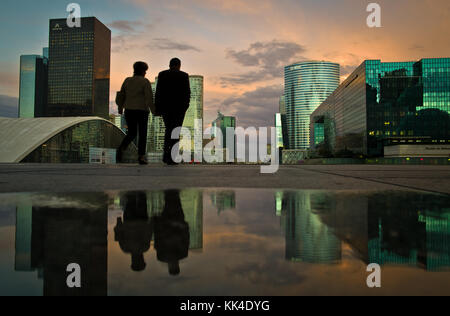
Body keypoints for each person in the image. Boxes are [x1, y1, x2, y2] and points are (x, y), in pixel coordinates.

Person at [116, 62, 155, 165]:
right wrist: (154, 111)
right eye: (145, 71)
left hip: (129, 110)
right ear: (143, 71)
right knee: (143, 134)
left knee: (132, 133)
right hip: (142, 110)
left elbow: (121, 95)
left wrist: (120, 108)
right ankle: (141, 157)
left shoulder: (127, 81)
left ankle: (121, 148)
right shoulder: (145, 82)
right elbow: (149, 98)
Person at [155, 58, 191, 165]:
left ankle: (166, 156)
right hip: (179, 109)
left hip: (166, 108)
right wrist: (185, 106)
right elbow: (187, 93)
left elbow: (158, 93)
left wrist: (158, 108)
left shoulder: (162, 74)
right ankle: (173, 156)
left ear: (169, 65)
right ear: (179, 65)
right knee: (176, 131)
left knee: (168, 130)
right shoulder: (184, 75)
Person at [152, 190, 190, 276]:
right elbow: (158, 240)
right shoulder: (162, 256)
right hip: (172, 223)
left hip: (171, 223)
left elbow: (158, 239)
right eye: (174, 266)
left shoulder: (182, 254)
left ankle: (171, 192)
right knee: (172, 202)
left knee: (172, 202)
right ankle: (171, 192)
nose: (173, 264)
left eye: (172, 266)